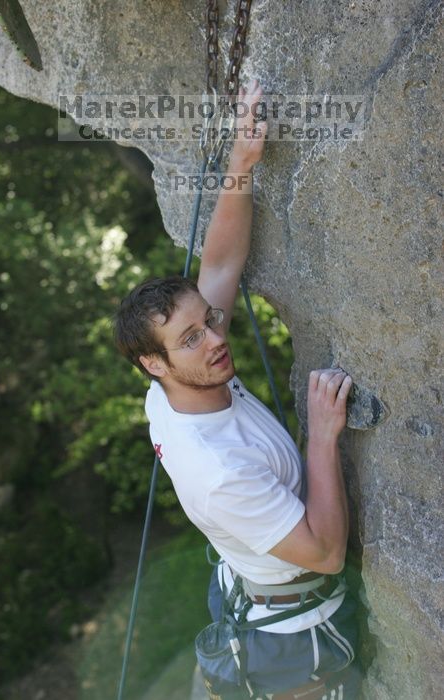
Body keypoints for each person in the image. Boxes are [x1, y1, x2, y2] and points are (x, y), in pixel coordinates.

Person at [114, 80, 361, 699]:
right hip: (292, 632)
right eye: (190, 339)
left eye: (207, 322)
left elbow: (220, 266)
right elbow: (327, 554)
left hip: (248, 579)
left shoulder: (174, 382)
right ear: (154, 363)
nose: (214, 339)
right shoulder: (217, 470)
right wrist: (322, 436)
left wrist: (241, 162)